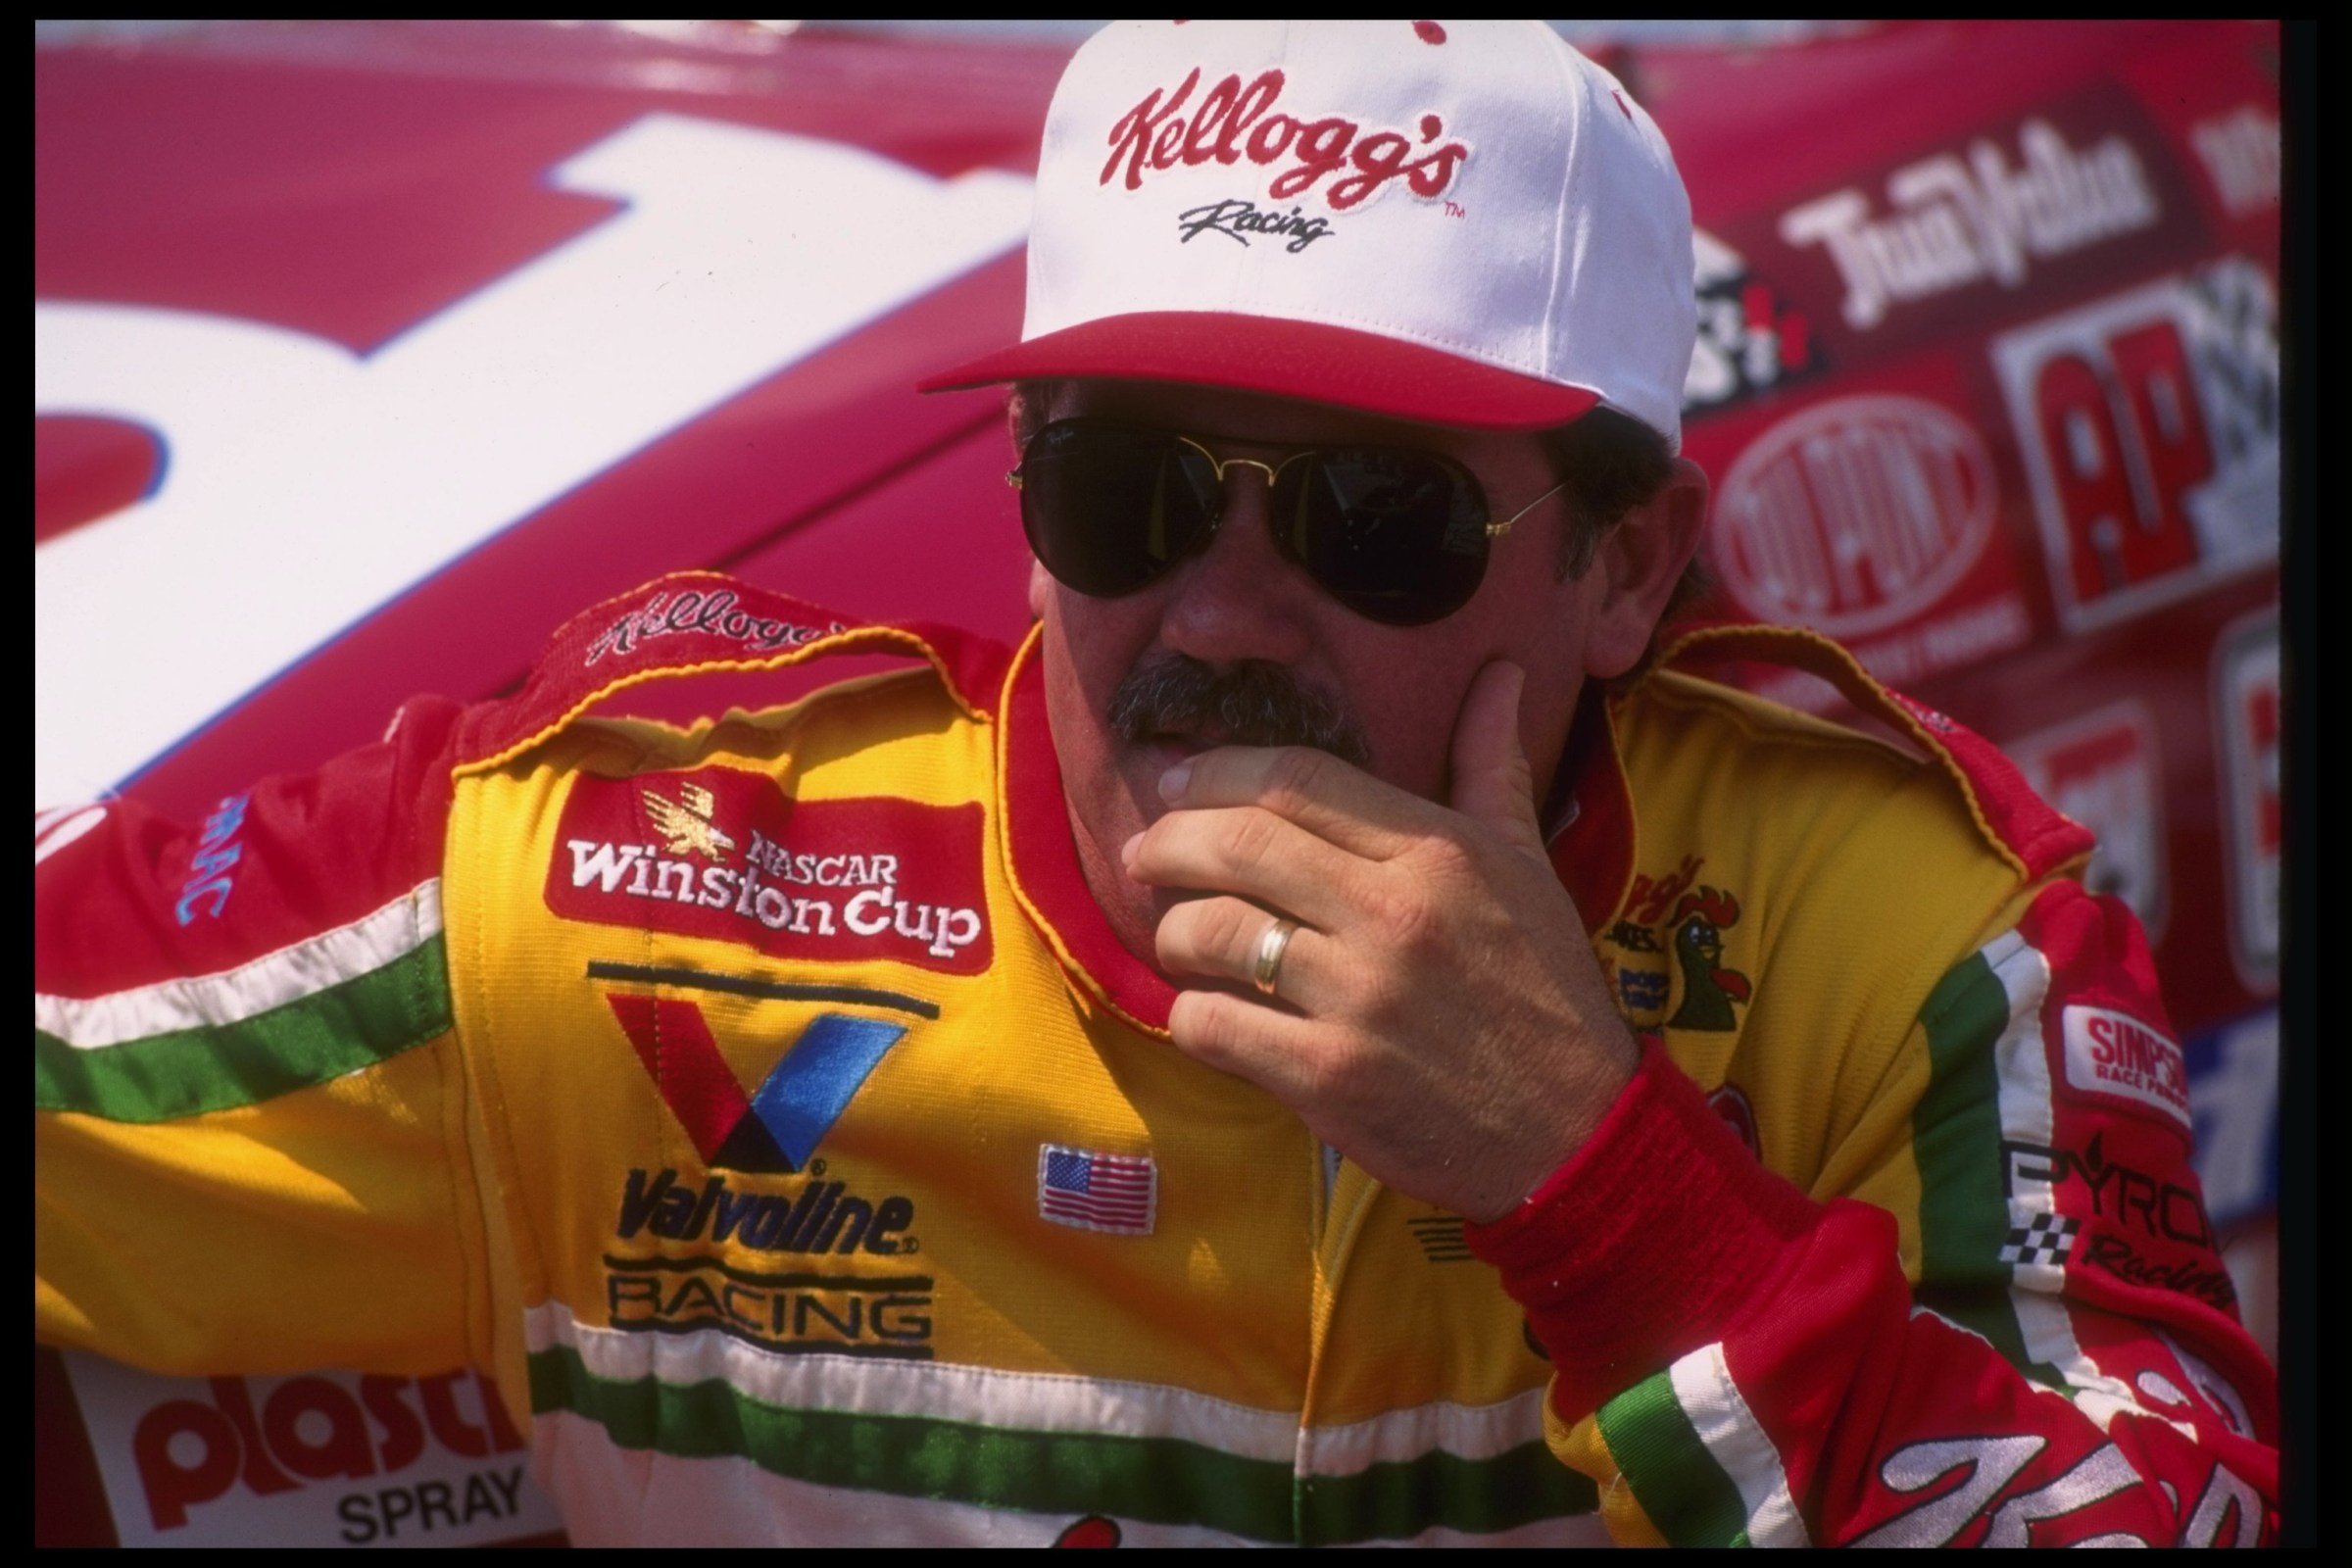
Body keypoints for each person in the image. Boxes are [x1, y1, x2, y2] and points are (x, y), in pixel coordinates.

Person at [34, 20, 2277, 1546]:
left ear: (1620, 566)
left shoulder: (1910, 940)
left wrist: (1605, 1183)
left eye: (1375, 518)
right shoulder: (633, 870)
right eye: (1123, 488)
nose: (1216, 614)